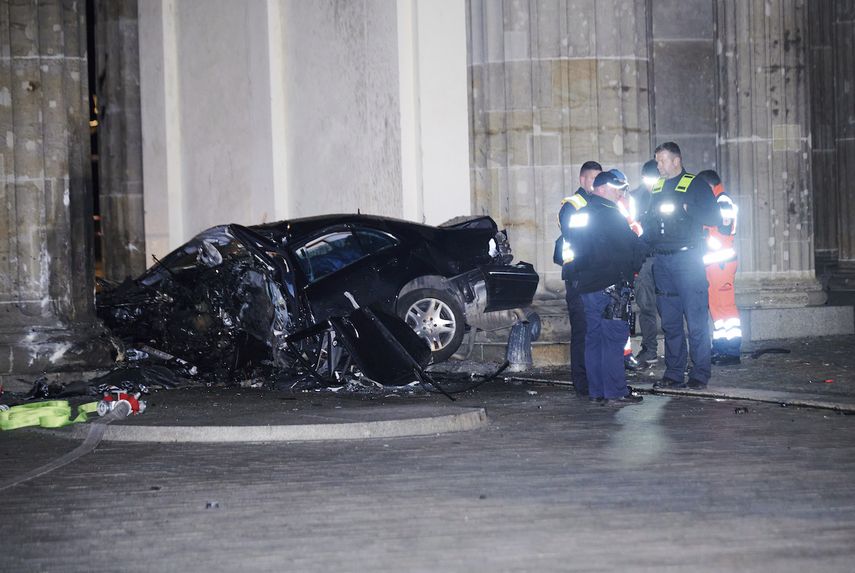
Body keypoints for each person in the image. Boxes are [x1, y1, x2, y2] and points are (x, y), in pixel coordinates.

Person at [641, 142, 720, 390]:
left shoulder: (695, 184)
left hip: (688, 260)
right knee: (671, 322)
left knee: (695, 320)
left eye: (662, 160)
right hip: (662, 260)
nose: (658, 165)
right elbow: (650, 222)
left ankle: (699, 373)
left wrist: (688, 209)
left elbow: (715, 217)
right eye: (657, 161)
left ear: (676, 160)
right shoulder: (658, 187)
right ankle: (674, 372)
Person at [565, 170, 645, 405]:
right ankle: (615, 391)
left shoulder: (580, 214)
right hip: (611, 288)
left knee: (593, 339)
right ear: (601, 189)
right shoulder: (611, 214)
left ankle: (597, 391)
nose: (620, 193)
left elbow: (571, 247)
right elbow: (631, 250)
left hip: (586, 287)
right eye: (616, 189)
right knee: (612, 339)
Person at [557, 161, 602, 397]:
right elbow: (579, 238)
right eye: (592, 179)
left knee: (595, 331)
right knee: (582, 331)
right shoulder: (573, 206)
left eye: (599, 179)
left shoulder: (600, 203)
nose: (596, 184)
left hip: (596, 276)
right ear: (582, 180)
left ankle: (595, 379)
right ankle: (582, 382)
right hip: (578, 276)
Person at [697, 169, 742, 365]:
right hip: (715, 263)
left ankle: (731, 351)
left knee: (725, 308)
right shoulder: (717, 202)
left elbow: (719, 235)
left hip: (721, 263)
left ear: (709, 186)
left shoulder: (722, 203)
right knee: (717, 307)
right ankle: (721, 346)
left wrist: (700, 236)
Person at [630, 160, 661, 366]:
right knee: (646, 305)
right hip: (644, 258)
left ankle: (677, 352)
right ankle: (650, 349)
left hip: (665, 256)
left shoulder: (667, 194)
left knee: (669, 306)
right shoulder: (634, 198)